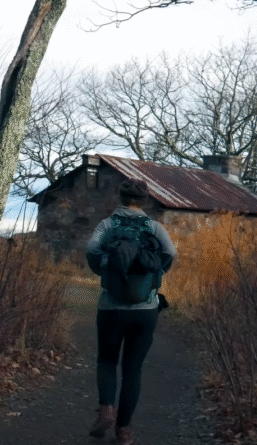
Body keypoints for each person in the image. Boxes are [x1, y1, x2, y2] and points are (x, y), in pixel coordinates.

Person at [84, 178, 177, 445]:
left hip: (111, 307)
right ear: (144, 201)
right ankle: (124, 431)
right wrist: (154, 275)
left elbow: (91, 250)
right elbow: (170, 252)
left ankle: (106, 411)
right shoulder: (153, 226)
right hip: (145, 309)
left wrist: (105, 270)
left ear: (119, 197)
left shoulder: (108, 224)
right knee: (133, 369)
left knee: (107, 362)